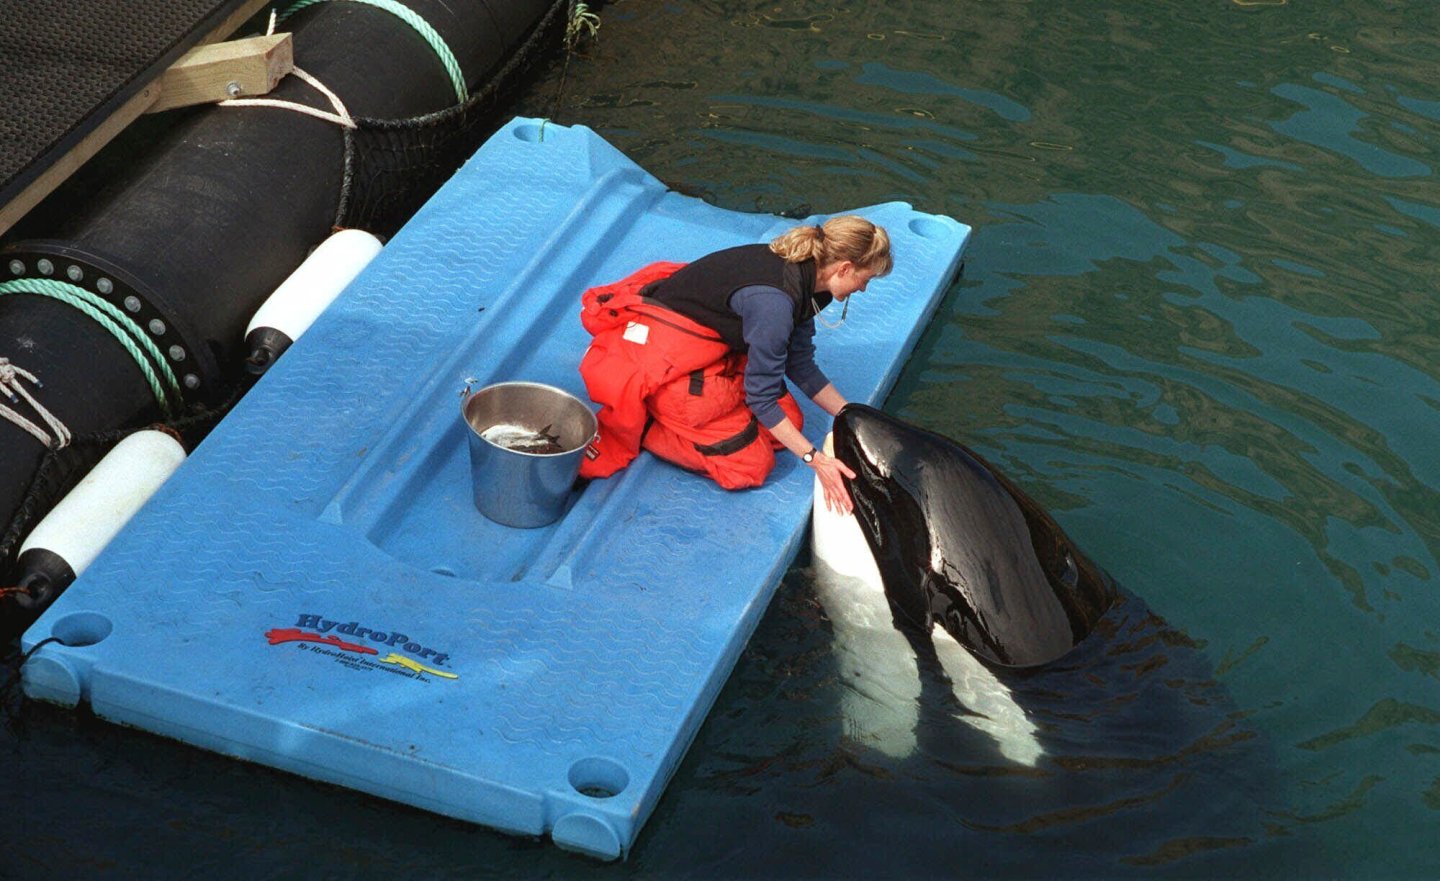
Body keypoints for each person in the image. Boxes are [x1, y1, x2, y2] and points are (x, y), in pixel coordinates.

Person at [577, 215, 892, 514]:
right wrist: (816, 460)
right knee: (749, 465)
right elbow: (762, 397)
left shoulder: (808, 277)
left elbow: (800, 364)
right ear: (845, 268)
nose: (863, 289)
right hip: (664, 358)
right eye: (864, 280)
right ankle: (648, 422)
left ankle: (693, 418)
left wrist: (852, 415)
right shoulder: (774, 304)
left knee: (789, 424)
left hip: (713, 347)